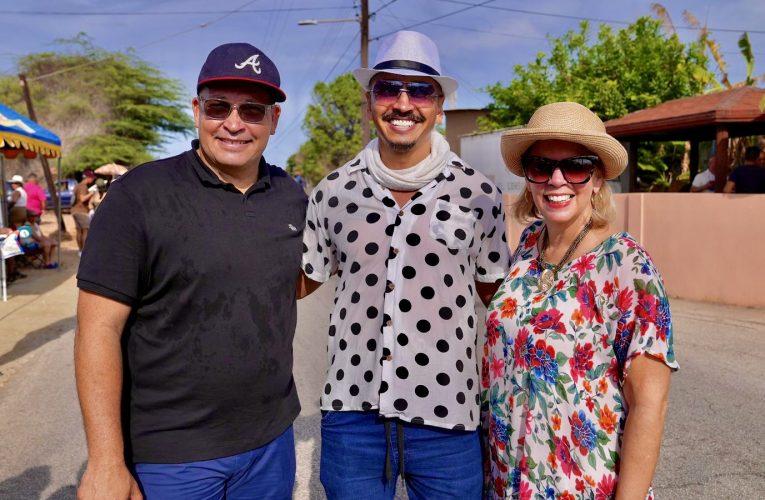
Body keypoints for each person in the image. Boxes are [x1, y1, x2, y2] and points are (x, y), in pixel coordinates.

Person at [75, 42, 306, 500]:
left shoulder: (290, 197)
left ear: (274, 120)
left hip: (271, 444)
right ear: (197, 110)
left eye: (253, 110)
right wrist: (105, 463)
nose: (234, 123)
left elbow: (288, 283)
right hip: (171, 457)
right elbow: (97, 329)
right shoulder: (137, 196)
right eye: (219, 107)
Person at [298, 31, 510, 499]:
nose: (403, 102)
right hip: (353, 414)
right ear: (371, 100)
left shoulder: (478, 195)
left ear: (438, 105)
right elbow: (298, 281)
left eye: (419, 90)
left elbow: (498, 299)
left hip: (448, 416)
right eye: (388, 88)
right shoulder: (332, 193)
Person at [482, 102, 678, 499]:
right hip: (507, 481)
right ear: (528, 177)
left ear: (598, 177)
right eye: (541, 166)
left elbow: (649, 404)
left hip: (584, 488)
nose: (557, 180)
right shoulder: (526, 248)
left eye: (575, 166)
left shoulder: (626, 266)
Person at [71, 169, 97, 255]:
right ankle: (85, 251)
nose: (93, 180)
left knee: (79, 231)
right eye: (92, 178)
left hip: (75, 210)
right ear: (88, 178)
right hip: (81, 211)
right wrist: (92, 193)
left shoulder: (77, 185)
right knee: (86, 230)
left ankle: (80, 251)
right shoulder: (83, 186)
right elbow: (82, 199)